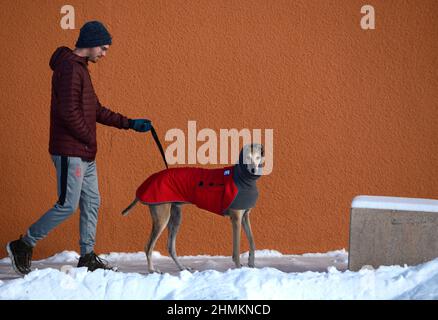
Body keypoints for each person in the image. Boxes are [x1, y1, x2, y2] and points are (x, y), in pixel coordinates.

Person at [6, 21, 152, 275]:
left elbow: (96, 110)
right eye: (103, 48)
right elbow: (68, 113)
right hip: (70, 152)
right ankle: (23, 244)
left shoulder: (81, 69)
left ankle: (87, 256)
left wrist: (130, 123)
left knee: (92, 201)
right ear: (92, 44)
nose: (104, 54)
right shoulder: (70, 69)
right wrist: (88, 139)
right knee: (67, 204)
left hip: (84, 152)